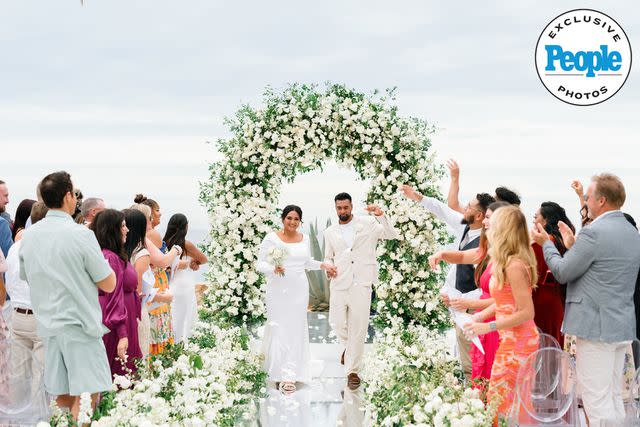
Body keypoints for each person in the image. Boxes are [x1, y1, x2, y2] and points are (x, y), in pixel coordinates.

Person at [532, 173, 640, 426]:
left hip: (595, 327)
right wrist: (572, 245)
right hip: (620, 324)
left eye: (589, 197)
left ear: (601, 200)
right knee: (612, 397)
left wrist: (547, 243)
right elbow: (601, 270)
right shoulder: (631, 232)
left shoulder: (594, 232)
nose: (586, 202)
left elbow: (562, 272)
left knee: (596, 400)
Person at [19, 171, 116, 420]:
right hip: (79, 325)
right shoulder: (81, 234)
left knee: (62, 396)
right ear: (68, 196)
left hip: (49, 326)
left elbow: (27, 276)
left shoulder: (29, 236)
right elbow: (107, 283)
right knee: (88, 395)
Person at [400, 178, 495, 381]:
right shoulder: (465, 227)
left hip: (477, 305)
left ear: (479, 215)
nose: (464, 208)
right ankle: (472, 392)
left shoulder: (490, 242)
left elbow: (487, 282)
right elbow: (442, 209)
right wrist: (417, 197)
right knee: (465, 355)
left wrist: (465, 302)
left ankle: (477, 397)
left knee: (477, 357)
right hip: (460, 302)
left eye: (468, 206)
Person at [459, 205, 539, 424]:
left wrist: (489, 326)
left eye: (493, 223)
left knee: (502, 400)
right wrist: (478, 316)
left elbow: (527, 311)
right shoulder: (505, 261)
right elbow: (503, 301)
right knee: (503, 399)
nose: (488, 226)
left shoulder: (514, 265)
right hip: (510, 338)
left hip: (519, 341)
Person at [323, 193, 400, 390]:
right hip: (339, 282)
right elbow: (328, 256)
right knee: (336, 322)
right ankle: (350, 350)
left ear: (351, 206)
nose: (343, 211)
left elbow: (391, 234)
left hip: (362, 282)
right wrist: (328, 266)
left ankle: (353, 372)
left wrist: (381, 215)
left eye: (346, 207)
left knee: (359, 327)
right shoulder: (330, 232)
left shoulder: (368, 224)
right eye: (339, 208)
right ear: (335, 208)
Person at [428, 201, 509, 389]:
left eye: (488, 218)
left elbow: (505, 301)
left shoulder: (509, 256)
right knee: (479, 373)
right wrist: (441, 254)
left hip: (498, 322)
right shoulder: (488, 249)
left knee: (494, 378)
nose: (485, 223)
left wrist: (472, 307)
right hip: (483, 319)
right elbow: (463, 256)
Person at [256, 205, 336, 394]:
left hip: (299, 289)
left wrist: (323, 265)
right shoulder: (271, 238)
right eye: (289, 218)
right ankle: (279, 374)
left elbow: (306, 262)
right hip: (277, 289)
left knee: (295, 329)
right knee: (279, 328)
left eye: (296, 219)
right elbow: (260, 264)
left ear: (300, 221)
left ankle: (291, 374)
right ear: (283, 219)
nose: (292, 222)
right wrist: (272, 269)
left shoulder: (305, 238)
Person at [5, 202, 49, 397]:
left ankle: (18, 419)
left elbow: (10, 280)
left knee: (19, 374)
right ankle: (39, 420)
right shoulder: (46, 247)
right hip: (39, 315)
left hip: (17, 314)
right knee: (40, 375)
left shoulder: (16, 247)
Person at [91, 209, 142, 376]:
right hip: (116, 320)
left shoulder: (111, 255)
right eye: (123, 226)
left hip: (120, 316)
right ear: (113, 229)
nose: (127, 230)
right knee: (119, 370)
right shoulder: (111, 258)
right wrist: (122, 334)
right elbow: (113, 296)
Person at [135, 194, 180, 354]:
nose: (160, 214)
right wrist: (177, 250)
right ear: (149, 215)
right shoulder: (152, 234)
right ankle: (158, 357)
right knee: (157, 320)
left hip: (152, 279)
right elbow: (162, 261)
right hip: (154, 281)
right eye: (157, 210)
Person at [531, 202, 574, 347]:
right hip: (558, 298)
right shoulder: (564, 240)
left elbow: (533, 273)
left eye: (536, 217)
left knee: (542, 344)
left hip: (541, 299)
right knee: (554, 343)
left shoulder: (542, 243)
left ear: (545, 221)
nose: (533, 220)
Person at [163, 213, 208, 343]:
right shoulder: (186, 244)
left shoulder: (164, 242)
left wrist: (191, 262)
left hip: (171, 283)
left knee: (173, 314)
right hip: (185, 284)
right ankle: (185, 342)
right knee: (187, 316)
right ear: (186, 227)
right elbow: (204, 259)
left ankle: (172, 341)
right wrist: (193, 262)